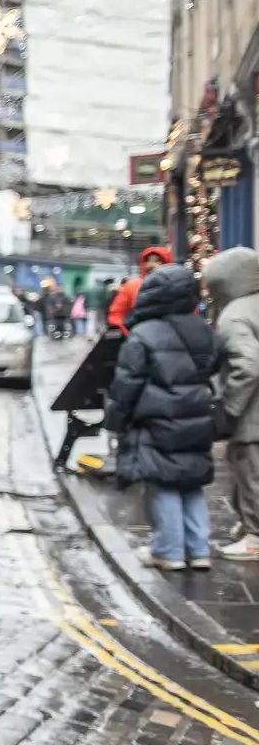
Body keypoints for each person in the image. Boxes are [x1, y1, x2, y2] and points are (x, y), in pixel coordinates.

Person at [104, 262, 220, 572]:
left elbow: (127, 383)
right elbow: (213, 367)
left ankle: (167, 551)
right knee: (191, 483)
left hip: (156, 419)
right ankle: (198, 551)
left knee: (163, 483)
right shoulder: (202, 329)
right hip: (195, 417)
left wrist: (115, 419)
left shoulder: (144, 333)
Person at [205, 249, 259, 559]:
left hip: (252, 411)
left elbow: (248, 365)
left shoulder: (234, 314)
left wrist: (230, 406)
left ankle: (255, 535)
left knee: (249, 470)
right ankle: (248, 525)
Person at [109, 245, 173, 330]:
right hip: (139, 335)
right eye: (148, 261)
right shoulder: (131, 286)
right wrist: (127, 334)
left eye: (157, 261)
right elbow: (116, 315)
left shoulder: (175, 285)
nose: (151, 264)